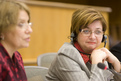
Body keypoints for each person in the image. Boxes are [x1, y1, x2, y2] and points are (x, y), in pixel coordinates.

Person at [46, 7, 121, 81]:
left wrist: (116, 63)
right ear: (75, 34)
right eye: (86, 31)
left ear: (103, 36)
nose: (92, 37)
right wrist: (97, 62)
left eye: (98, 32)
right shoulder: (65, 56)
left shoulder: (98, 54)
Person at [0, 0, 32, 81]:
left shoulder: (17, 56)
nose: (30, 30)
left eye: (28, 23)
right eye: (21, 24)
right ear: (2, 29)